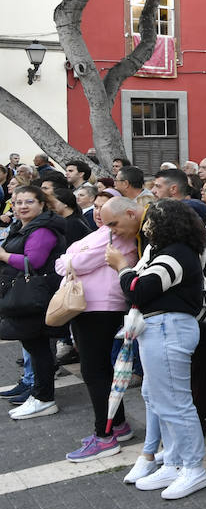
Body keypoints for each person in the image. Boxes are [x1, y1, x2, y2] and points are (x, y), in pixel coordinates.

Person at [117, 200, 206, 500]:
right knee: (159, 398)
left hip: (169, 329)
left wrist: (122, 268)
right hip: (161, 328)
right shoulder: (169, 252)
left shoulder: (176, 253)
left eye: (151, 222)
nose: (146, 227)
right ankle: (174, 460)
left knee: (174, 402)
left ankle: (193, 468)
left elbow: (138, 289)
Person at [55, 197, 141, 459]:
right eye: (97, 207)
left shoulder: (118, 235)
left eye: (106, 210)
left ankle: (104, 436)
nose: (101, 216)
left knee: (94, 371)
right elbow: (64, 260)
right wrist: (72, 258)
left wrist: (72, 258)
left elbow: (76, 262)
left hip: (100, 307)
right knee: (100, 369)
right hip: (89, 306)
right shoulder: (106, 232)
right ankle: (117, 424)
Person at [1, 185, 68, 420]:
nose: (22, 206)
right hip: (26, 295)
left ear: (41, 204)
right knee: (34, 347)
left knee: (38, 348)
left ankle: (43, 398)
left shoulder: (42, 229)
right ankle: (38, 394)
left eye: (29, 202)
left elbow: (34, 261)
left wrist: (3, 255)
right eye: (18, 202)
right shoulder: (24, 226)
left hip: (36, 296)